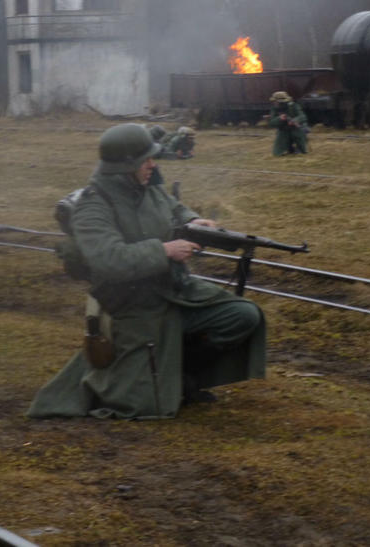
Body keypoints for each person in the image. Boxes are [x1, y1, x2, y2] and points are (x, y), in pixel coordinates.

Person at [27, 123, 266, 420]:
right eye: (146, 159)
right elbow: (109, 259)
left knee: (243, 317)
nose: (153, 164)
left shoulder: (146, 187)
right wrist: (164, 250)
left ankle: (179, 376)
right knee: (143, 404)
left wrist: (195, 220)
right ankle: (159, 380)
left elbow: (173, 207)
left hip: (173, 291)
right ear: (125, 165)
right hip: (131, 305)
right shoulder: (93, 207)